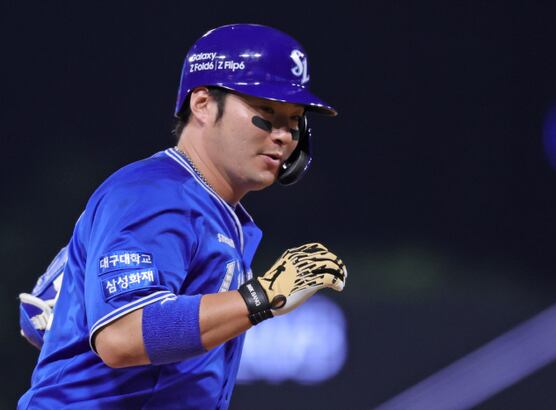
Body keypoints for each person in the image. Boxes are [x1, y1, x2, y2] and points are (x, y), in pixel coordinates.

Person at [18, 23, 347, 409]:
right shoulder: (157, 194)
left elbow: (44, 320)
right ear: (203, 104)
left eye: (293, 123)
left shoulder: (209, 209)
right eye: (266, 113)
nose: (284, 137)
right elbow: (121, 337)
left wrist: (75, 314)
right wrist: (260, 297)